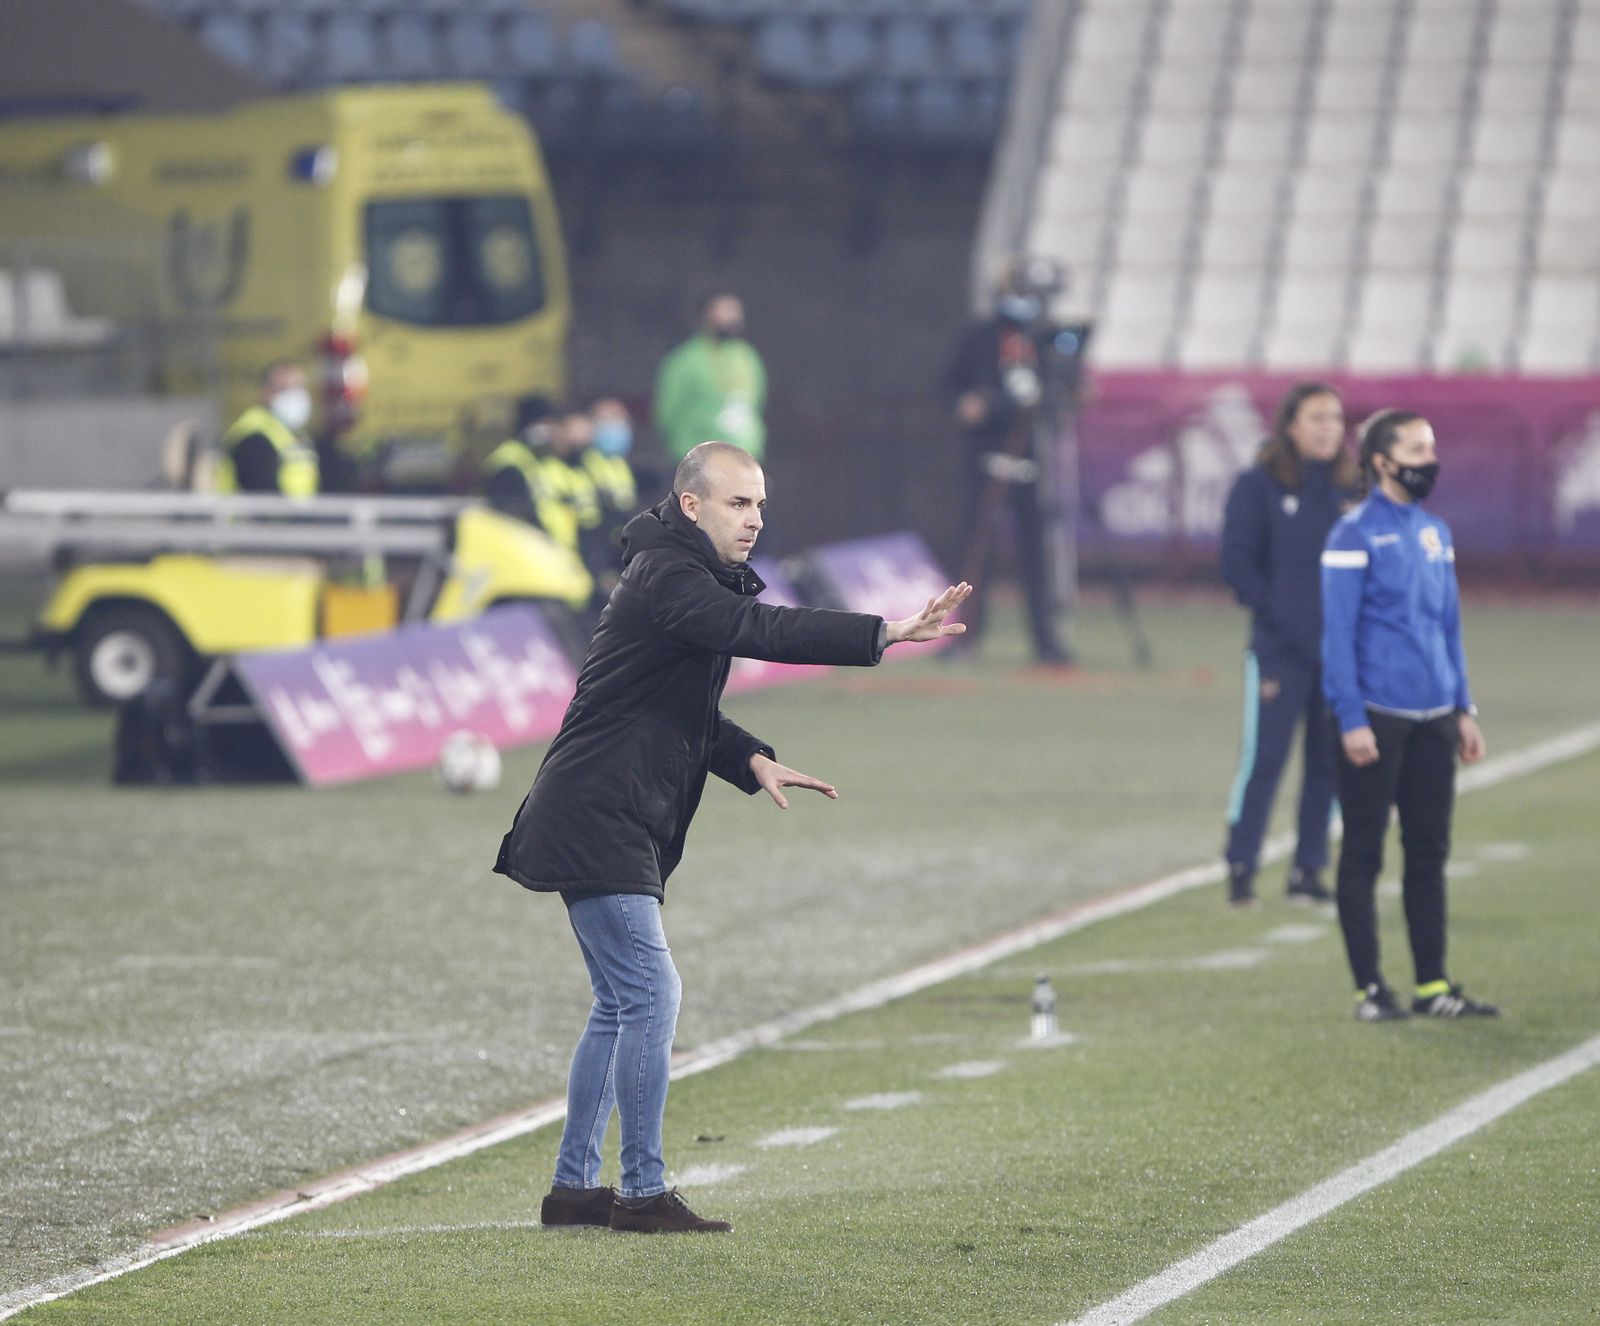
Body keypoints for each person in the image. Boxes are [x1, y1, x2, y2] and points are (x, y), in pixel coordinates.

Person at [493, 441, 971, 1233]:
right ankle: (640, 1195)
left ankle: (575, 1190)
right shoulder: (669, 578)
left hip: (604, 808)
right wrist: (884, 632)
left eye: (759, 505)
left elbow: (676, 708)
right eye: (736, 503)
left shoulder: (676, 573)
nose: (754, 519)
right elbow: (761, 627)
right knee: (650, 994)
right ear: (691, 506)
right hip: (596, 812)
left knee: (619, 1004)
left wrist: (751, 759)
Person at [1321, 409, 1497, 1023]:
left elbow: (1448, 627)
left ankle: (1432, 986)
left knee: (1428, 851)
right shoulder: (1353, 535)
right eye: (1417, 448)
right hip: (1376, 716)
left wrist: (1463, 708)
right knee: (1364, 853)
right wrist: (1350, 717)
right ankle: (1369, 988)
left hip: (1434, 719)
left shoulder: (1434, 532)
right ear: (1381, 461)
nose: (1429, 459)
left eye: (1432, 446)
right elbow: (1337, 637)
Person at [1219, 383, 1363, 908]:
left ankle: (1308, 868)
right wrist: (1279, 617)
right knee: (1266, 761)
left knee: (1328, 765)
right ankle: (1241, 865)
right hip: (1279, 652)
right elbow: (1236, 562)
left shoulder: (1353, 491)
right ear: (1291, 425)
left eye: (1336, 418)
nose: (1329, 428)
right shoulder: (1257, 487)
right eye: (1318, 417)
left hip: (1340, 656)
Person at [943, 258, 1085, 665]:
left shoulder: (1043, 339)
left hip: (1029, 452)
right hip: (985, 452)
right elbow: (949, 385)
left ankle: (1046, 640)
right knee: (977, 549)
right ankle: (966, 637)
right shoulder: (980, 336)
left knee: (1037, 552)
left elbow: (1061, 389)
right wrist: (965, 404)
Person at [653, 294, 767, 463]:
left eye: (735, 311)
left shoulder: (747, 357)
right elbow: (667, 412)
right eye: (724, 310)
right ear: (706, 314)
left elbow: (758, 400)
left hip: (746, 455)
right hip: (699, 460)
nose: (732, 317)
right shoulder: (685, 360)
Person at [482, 401, 602, 559]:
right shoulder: (511, 461)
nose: (558, 436)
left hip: (559, 556)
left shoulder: (552, 464)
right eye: (552, 428)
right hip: (528, 556)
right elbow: (512, 516)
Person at [215, 361, 319, 497]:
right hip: (257, 518)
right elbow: (262, 499)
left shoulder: (291, 433)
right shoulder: (254, 436)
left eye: (299, 387)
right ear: (265, 392)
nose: (295, 396)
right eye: (285, 388)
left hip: (299, 517)